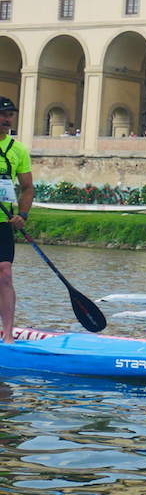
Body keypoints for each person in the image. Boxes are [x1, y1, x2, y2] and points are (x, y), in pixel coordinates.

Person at [0, 97, 33, 344]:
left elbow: (27, 187)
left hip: (4, 221)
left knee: (5, 274)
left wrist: (22, 215)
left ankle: (9, 335)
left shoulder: (18, 150)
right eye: (3, 114)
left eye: (10, 115)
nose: (6, 119)